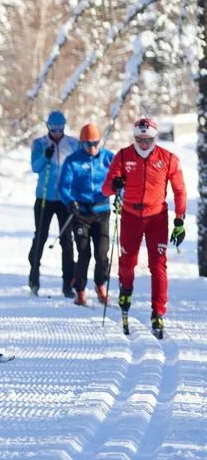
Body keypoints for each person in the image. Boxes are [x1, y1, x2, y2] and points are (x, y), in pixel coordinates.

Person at [101, 117, 186, 339]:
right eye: (139, 139)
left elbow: (179, 191)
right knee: (128, 263)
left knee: (158, 265)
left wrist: (179, 219)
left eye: (147, 139)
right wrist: (115, 185)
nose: (144, 144)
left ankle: (158, 312)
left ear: (155, 138)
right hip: (130, 216)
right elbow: (105, 189)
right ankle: (125, 292)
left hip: (157, 217)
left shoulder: (168, 159)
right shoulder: (123, 156)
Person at [57, 123, 114, 306]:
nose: (92, 148)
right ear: (81, 143)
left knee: (102, 253)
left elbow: (121, 179)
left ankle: (100, 284)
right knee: (84, 253)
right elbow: (62, 187)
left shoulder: (107, 158)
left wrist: (120, 191)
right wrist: (70, 201)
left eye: (96, 143)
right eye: (88, 144)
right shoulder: (73, 160)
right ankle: (79, 290)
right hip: (80, 213)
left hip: (101, 212)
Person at [28, 110, 79, 297]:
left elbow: (78, 166)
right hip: (44, 198)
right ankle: (34, 277)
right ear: (48, 127)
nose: (57, 133)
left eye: (60, 129)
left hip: (65, 199)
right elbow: (35, 167)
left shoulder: (73, 144)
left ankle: (68, 283)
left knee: (67, 240)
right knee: (40, 237)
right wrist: (45, 156)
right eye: (53, 129)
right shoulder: (40, 144)